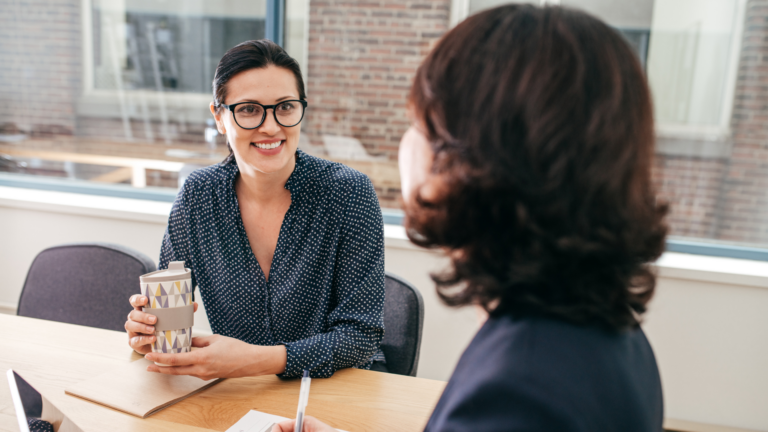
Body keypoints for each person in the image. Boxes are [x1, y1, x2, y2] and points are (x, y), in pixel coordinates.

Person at [273, 4, 667, 431]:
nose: (406, 144)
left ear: (473, 160)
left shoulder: (518, 392)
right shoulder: (608, 332)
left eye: (418, 124)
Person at [123, 40, 386, 379]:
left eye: (286, 107)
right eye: (248, 109)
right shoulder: (198, 196)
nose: (271, 127)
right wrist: (147, 331)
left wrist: (256, 361)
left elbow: (360, 337)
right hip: (239, 392)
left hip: (334, 389)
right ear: (219, 117)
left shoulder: (348, 192)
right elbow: (168, 308)